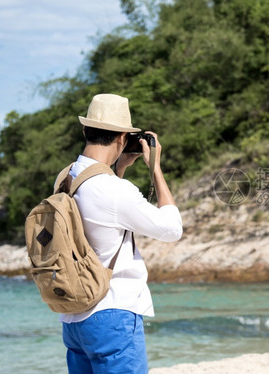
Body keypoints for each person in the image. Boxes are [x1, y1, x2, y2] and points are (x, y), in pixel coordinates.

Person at [59, 93, 183, 373]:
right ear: (122, 137)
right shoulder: (114, 189)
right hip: (112, 312)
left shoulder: (66, 177)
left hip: (74, 317)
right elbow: (172, 229)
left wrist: (120, 168)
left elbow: (99, 217)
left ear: (84, 130)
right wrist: (156, 169)